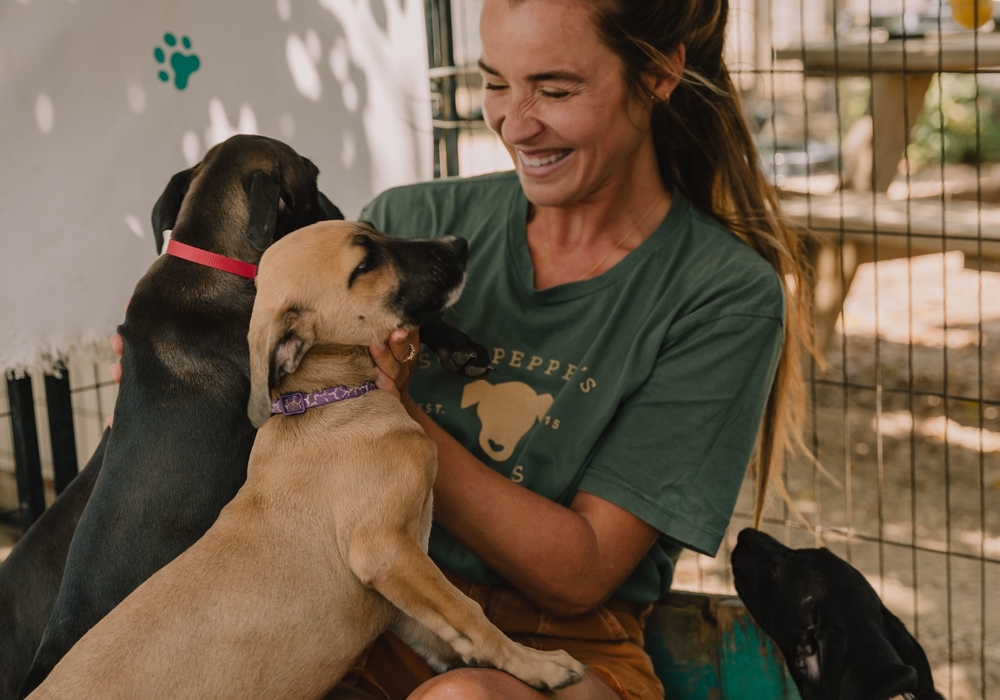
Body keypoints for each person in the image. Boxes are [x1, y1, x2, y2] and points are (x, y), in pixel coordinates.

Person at [112, 0, 809, 698]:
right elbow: (277, 417)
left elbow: (581, 574)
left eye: (556, 90)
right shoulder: (408, 226)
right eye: (496, 82)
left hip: (562, 647)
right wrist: (182, 387)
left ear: (658, 75)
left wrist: (400, 413)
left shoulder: (721, 294)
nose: (515, 120)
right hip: (351, 619)